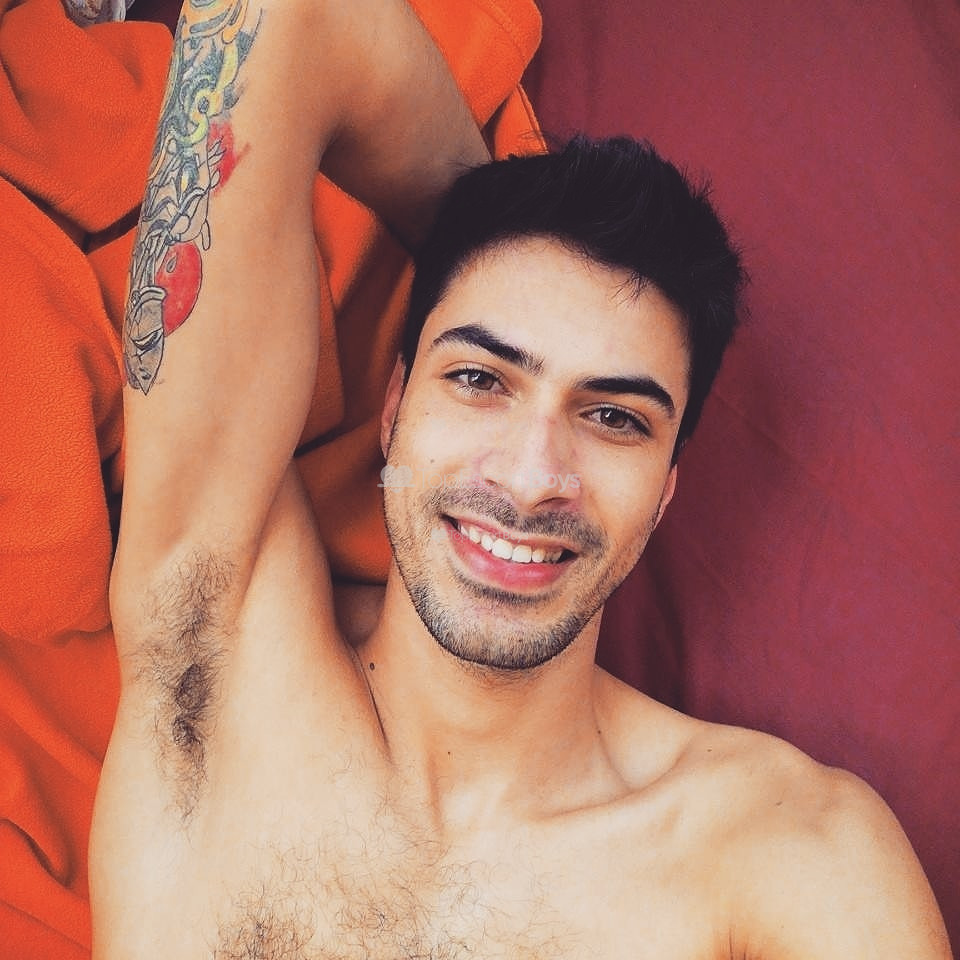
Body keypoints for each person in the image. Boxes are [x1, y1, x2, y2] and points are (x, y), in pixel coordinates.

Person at [90, 0, 952, 957]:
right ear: (395, 409)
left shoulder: (790, 858)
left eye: (614, 418)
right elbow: (289, 17)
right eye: (478, 378)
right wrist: (487, 225)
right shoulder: (211, 639)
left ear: (666, 491)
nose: (534, 475)